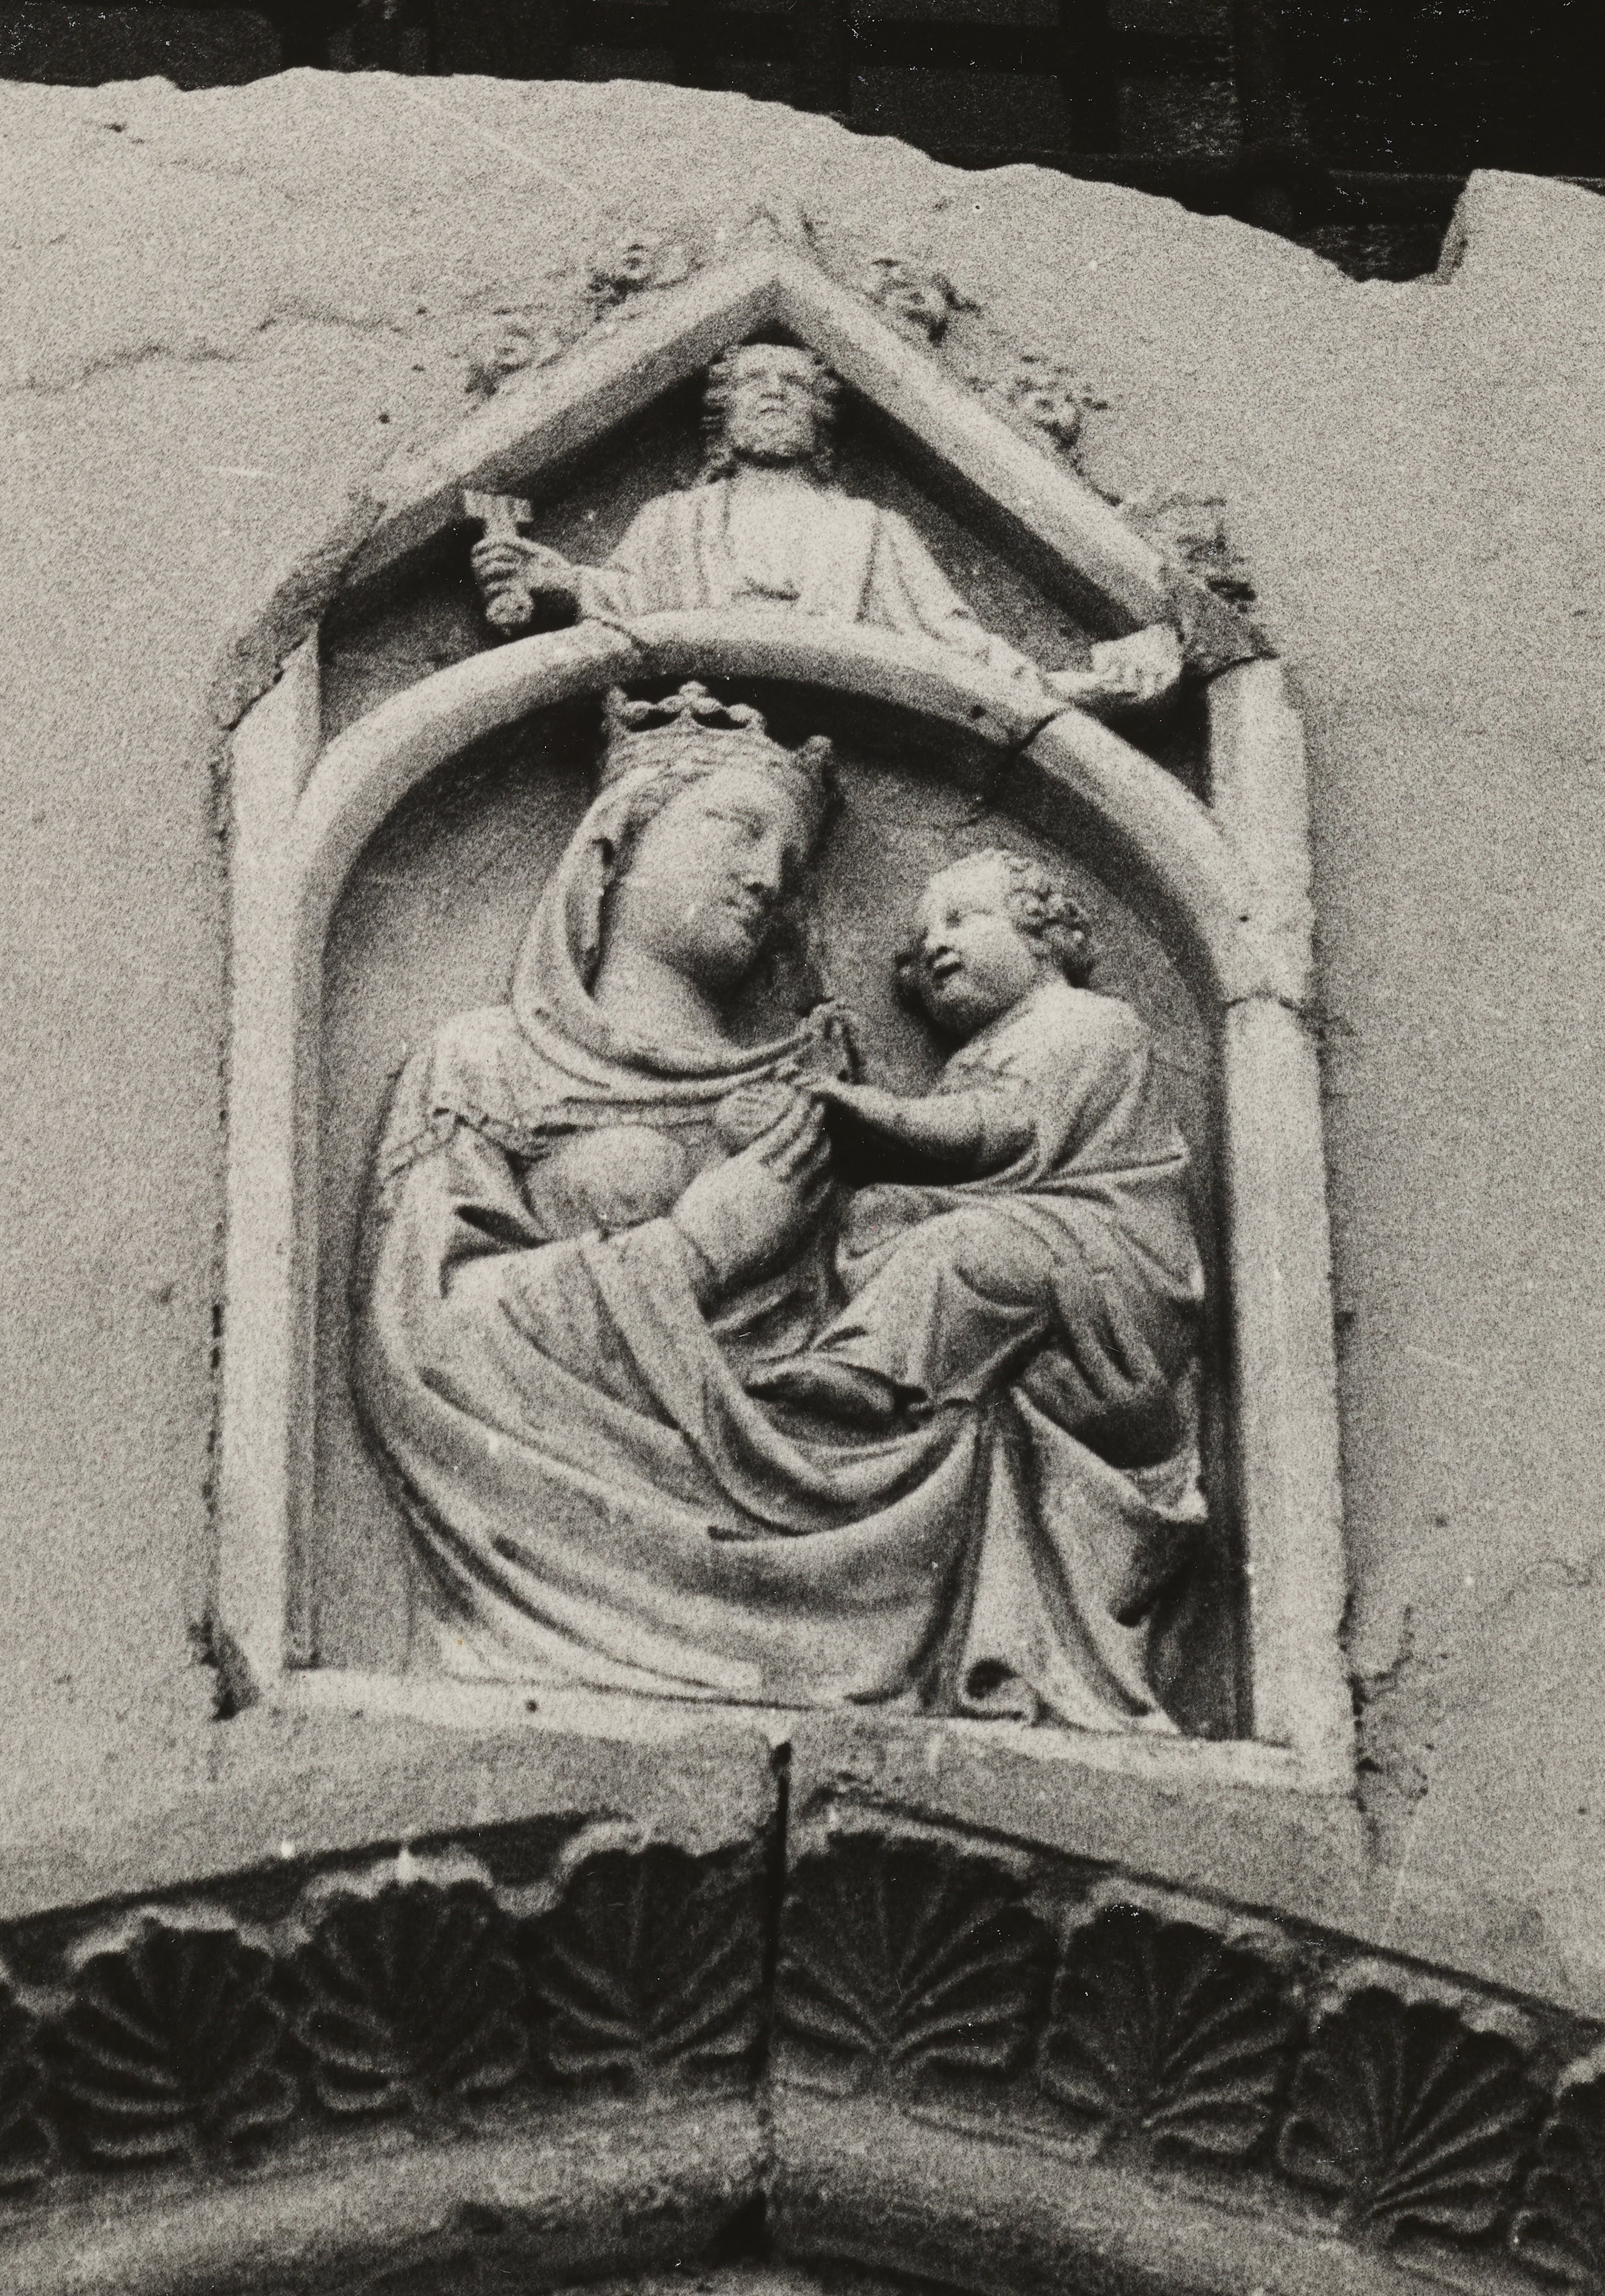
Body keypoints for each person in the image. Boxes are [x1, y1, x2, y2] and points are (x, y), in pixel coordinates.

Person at [353, 684, 1206, 1723]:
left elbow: (975, 1288)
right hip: (564, 1541)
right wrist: (699, 1247)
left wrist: (1105, 1380)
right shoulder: (482, 1064)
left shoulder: (830, 1087)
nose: (768, 876)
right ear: (615, 845)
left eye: (792, 860)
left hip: (874, 1533)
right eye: (737, 828)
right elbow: (425, 1337)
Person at [749, 852, 1204, 1450]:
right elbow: (941, 1154)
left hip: (1107, 1256)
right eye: (923, 939)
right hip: (1034, 1230)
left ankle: (867, 1370)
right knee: (876, 1213)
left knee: (957, 1246)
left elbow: (997, 1129)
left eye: (961, 919)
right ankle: (898, 1364)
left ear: (1040, 938)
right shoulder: (984, 1049)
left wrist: (866, 1106)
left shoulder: (1085, 1021)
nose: (936, 944)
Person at [468, 340, 1180, 711]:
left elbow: (951, 642)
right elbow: (623, 600)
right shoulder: (672, 519)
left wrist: (1072, 689)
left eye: (795, 388)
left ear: (821, 423)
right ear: (722, 417)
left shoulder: (870, 528)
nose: (774, 396)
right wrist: (554, 580)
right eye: (753, 385)